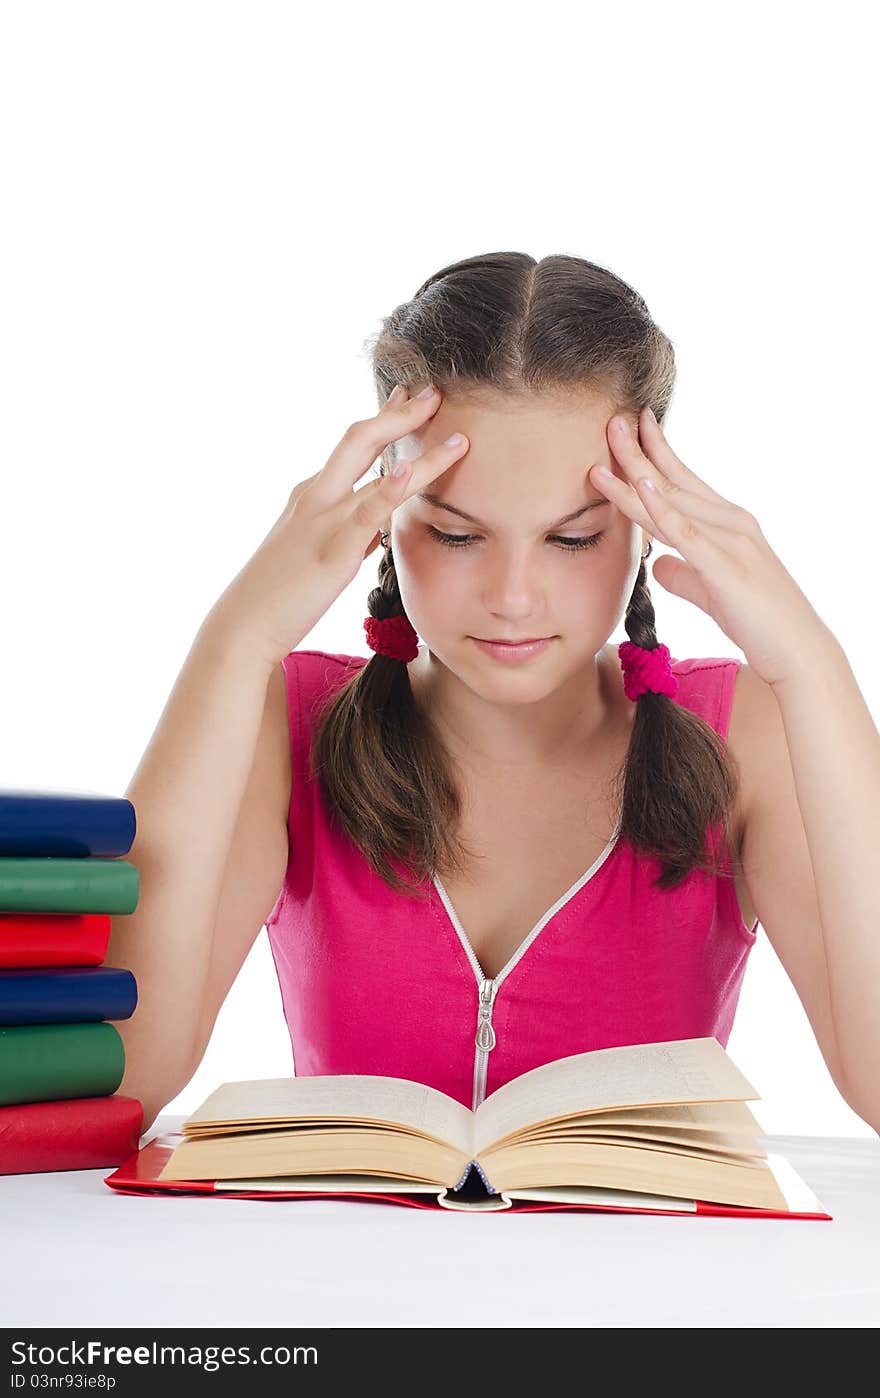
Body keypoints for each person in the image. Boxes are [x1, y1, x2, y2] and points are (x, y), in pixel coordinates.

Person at [103, 253, 788, 1134]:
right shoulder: (283, 718)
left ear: (647, 516)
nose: (512, 595)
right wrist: (234, 641)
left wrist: (811, 665)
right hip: (335, 1275)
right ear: (385, 515)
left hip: (646, 1276)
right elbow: (121, 1083)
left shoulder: (745, 729)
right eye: (458, 534)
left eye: (573, 539)